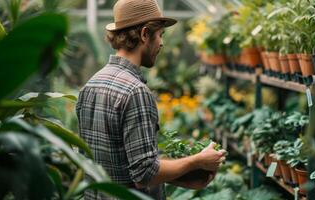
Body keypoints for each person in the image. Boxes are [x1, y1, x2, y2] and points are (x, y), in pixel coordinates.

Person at [76, 0, 226, 199]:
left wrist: (180, 176)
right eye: (160, 35)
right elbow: (144, 173)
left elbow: (115, 165)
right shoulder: (135, 91)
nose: (162, 43)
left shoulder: (91, 84)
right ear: (145, 34)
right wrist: (197, 161)